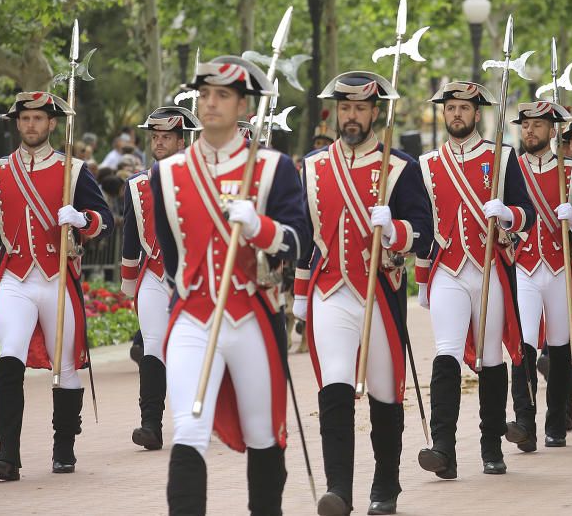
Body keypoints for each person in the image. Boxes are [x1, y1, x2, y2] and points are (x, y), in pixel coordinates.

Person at [150, 55, 308, 514]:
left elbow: (297, 239)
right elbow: (171, 248)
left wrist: (259, 227)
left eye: (222, 95)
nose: (210, 103)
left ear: (243, 106)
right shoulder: (167, 173)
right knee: (189, 427)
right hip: (193, 315)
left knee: (262, 433)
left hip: (250, 315)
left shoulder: (274, 167)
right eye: (204, 94)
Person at [293, 71, 433, 516]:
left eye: (360, 108)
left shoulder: (401, 167)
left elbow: (426, 236)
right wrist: (299, 293)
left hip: (379, 293)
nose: (351, 116)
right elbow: (301, 233)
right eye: (345, 108)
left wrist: (396, 230)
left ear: (376, 112)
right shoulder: (313, 165)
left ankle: (385, 486)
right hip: (330, 291)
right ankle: (339, 489)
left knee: (384, 395)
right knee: (334, 387)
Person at [0, 91, 113, 481]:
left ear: (53, 123)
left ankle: (64, 448)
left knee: (66, 366)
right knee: (9, 357)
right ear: (17, 124)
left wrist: (81, 217)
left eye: (39, 119)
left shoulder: (73, 169)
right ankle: (8, 454)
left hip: (57, 278)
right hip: (15, 278)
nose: (31, 126)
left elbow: (104, 220)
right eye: (25, 120)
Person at [414, 81, 536, 479]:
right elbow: (423, 224)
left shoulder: (501, 157)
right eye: (450, 108)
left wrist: (508, 214)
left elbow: (527, 214)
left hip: (489, 270)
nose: (456, 114)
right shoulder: (428, 164)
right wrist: (421, 279)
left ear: (477, 112)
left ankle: (490, 446)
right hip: (448, 269)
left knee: (490, 358)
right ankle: (443, 448)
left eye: (464, 108)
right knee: (446, 353)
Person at [504, 101, 572, 453]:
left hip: (558, 267)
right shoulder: (512, 169)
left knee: (559, 347)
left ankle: (556, 421)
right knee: (522, 345)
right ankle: (525, 421)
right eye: (525, 126)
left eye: (537, 126)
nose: (530, 132)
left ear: (552, 131)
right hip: (523, 265)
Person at [121, 106, 202, 451]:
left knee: (190, 349)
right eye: (155, 137)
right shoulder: (137, 185)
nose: (159, 142)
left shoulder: (203, 179)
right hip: (153, 274)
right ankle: (150, 424)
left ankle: (193, 419)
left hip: (192, 276)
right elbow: (129, 235)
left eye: (166, 137)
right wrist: (127, 280)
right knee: (153, 346)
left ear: (181, 141)